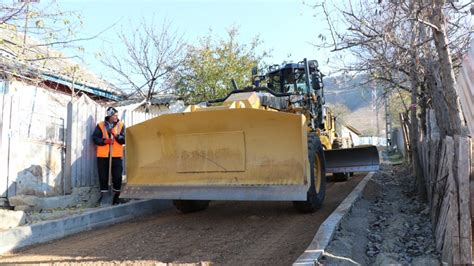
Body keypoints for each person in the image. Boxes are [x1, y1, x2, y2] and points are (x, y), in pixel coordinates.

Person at [92, 106, 125, 205]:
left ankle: (116, 196)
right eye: (114, 115)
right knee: (103, 177)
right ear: (109, 116)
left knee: (117, 176)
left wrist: (116, 135)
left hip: (116, 155)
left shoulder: (121, 125)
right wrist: (104, 141)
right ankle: (104, 196)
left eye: (116, 115)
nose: (116, 117)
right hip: (103, 156)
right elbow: (95, 138)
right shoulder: (100, 125)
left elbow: (124, 139)